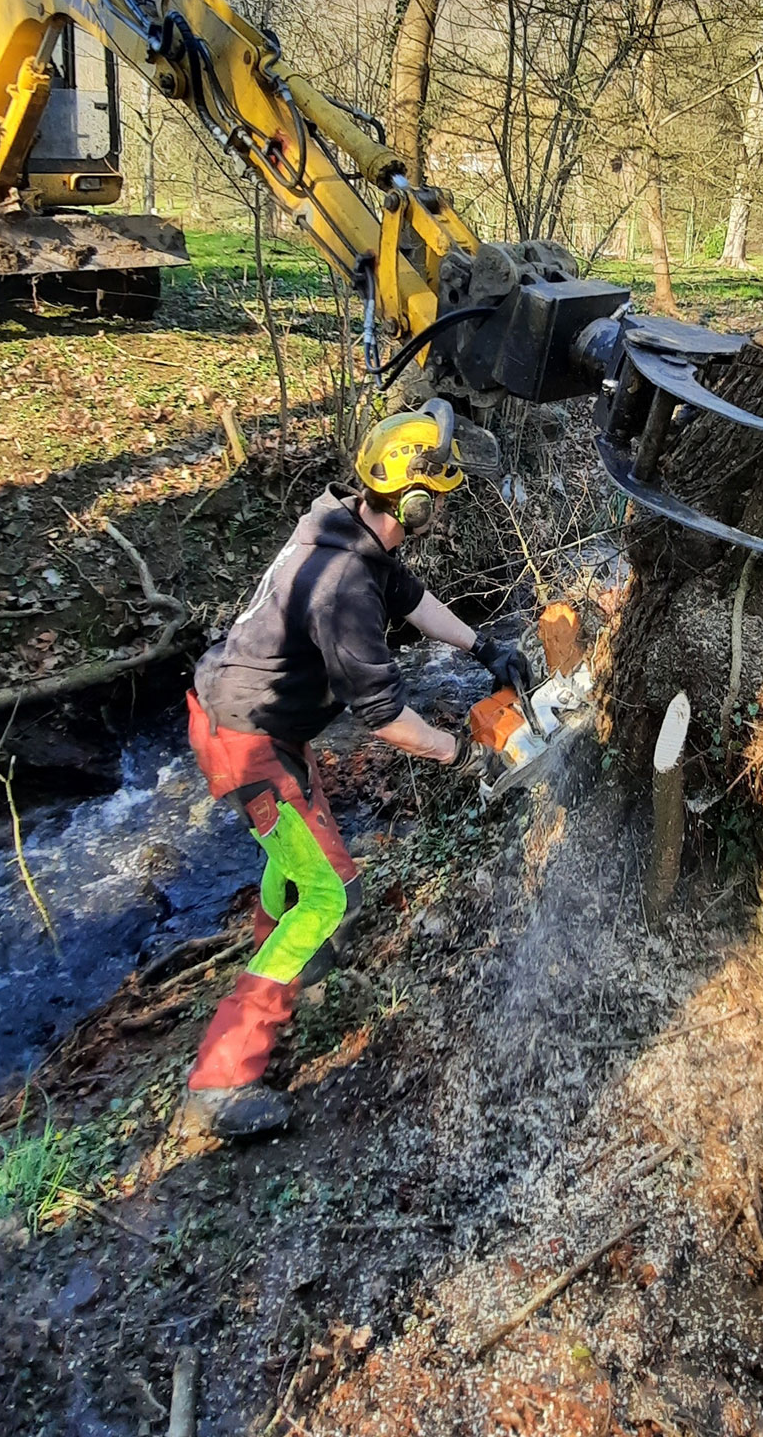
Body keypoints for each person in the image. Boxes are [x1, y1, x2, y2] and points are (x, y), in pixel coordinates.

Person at [181, 397, 532, 1138]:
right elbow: (383, 716)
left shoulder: (343, 524)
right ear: (410, 499)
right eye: (433, 501)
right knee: (331, 896)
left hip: (252, 719)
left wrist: (483, 648)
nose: (438, 513)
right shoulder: (344, 589)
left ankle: (282, 962)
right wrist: (460, 752)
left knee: (297, 866)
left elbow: (413, 599)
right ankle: (219, 1081)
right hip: (246, 735)